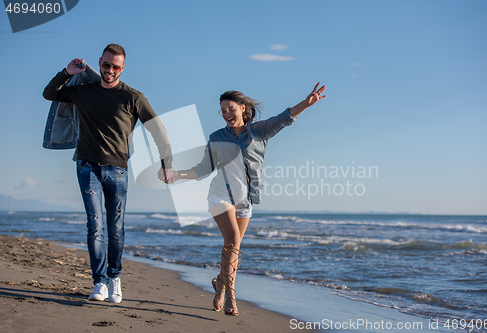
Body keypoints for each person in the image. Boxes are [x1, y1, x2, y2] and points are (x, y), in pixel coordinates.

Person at [169, 83, 326, 315]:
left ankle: (220, 283)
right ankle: (230, 296)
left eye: (230, 109)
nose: (226, 114)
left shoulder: (258, 131)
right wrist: (177, 174)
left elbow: (284, 118)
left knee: (233, 247)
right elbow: (203, 169)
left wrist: (306, 103)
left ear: (243, 108)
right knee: (232, 239)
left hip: (245, 200)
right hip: (219, 194)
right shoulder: (216, 137)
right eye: (223, 111)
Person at [43, 44, 174, 303]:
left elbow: (158, 130)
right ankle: (99, 282)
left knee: (115, 229)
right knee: (95, 226)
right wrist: (67, 72)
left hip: (118, 171)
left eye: (115, 67)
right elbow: (49, 93)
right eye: (106, 65)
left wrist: (166, 163)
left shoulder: (133, 97)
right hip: (87, 166)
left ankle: (115, 278)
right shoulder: (83, 92)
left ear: (122, 68)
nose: (110, 70)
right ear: (99, 63)